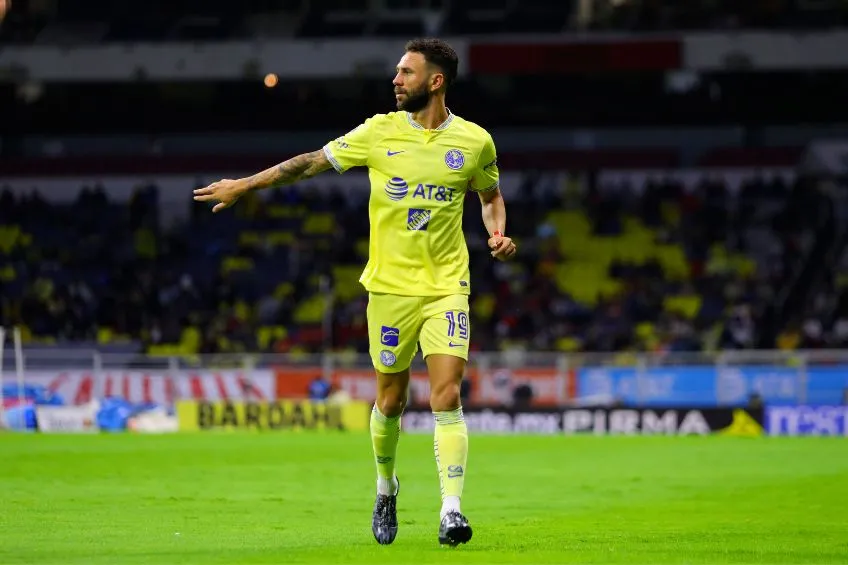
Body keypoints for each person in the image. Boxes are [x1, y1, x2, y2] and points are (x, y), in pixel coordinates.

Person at [193, 37, 517, 547]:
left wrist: (497, 232)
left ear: (435, 81)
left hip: (446, 288)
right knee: (391, 400)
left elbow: (490, 195)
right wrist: (245, 185)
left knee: (447, 393)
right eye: (397, 72)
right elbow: (308, 163)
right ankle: (386, 486)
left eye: (406, 72)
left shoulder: (475, 141)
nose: (396, 80)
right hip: (388, 289)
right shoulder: (377, 131)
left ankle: (451, 510)